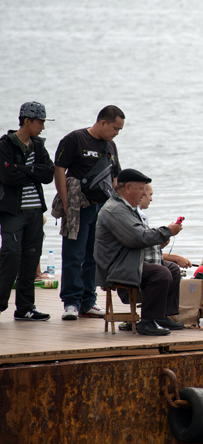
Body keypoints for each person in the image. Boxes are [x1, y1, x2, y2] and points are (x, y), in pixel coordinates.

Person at [54, 105, 125, 320]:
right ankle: (71, 303)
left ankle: (88, 301)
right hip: (79, 206)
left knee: (94, 256)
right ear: (102, 122)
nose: (117, 133)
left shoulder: (110, 146)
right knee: (73, 254)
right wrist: (67, 203)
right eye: (115, 128)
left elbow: (115, 176)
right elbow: (59, 169)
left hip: (102, 208)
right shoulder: (75, 139)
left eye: (120, 129)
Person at [94, 169, 184, 336]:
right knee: (160, 273)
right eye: (141, 189)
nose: (144, 193)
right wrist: (168, 231)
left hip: (130, 260)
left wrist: (160, 240)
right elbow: (138, 238)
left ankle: (161, 315)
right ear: (128, 187)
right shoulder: (116, 210)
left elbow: (137, 237)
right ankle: (148, 322)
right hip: (117, 266)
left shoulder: (128, 208)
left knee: (172, 269)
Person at [0, 102, 56, 321]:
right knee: (11, 254)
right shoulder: (5, 145)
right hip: (13, 211)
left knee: (31, 259)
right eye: (40, 122)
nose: (43, 127)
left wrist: (21, 169)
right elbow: (7, 177)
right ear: (27, 120)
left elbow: (48, 174)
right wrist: (33, 172)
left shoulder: (38, 146)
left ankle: (25, 308)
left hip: (35, 211)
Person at [138, 183, 191, 269]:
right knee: (165, 272)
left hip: (145, 262)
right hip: (139, 265)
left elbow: (144, 244)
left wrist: (160, 243)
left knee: (173, 268)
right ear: (142, 193)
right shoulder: (138, 215)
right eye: (150, 195)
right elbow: (141, 245)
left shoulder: (140, 215)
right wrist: (168, 231)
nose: (151, 199)